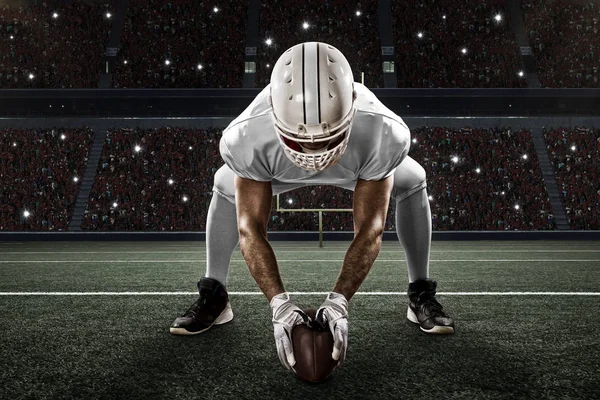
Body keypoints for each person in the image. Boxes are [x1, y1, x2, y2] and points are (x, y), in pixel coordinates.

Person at [170, 42, 454, 370]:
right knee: (224, 184)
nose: (313, 151)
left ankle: (420, 291)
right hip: (278, 169)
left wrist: (339, 302)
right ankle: (215, 293)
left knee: (413, 178)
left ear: (352, 111)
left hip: (354, 164)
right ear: (274, 117)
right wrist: (279, 305)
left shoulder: (381, 128)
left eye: (327, 138)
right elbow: (251, 229)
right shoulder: (247, 134)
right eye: (300, 139)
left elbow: (371, 228)